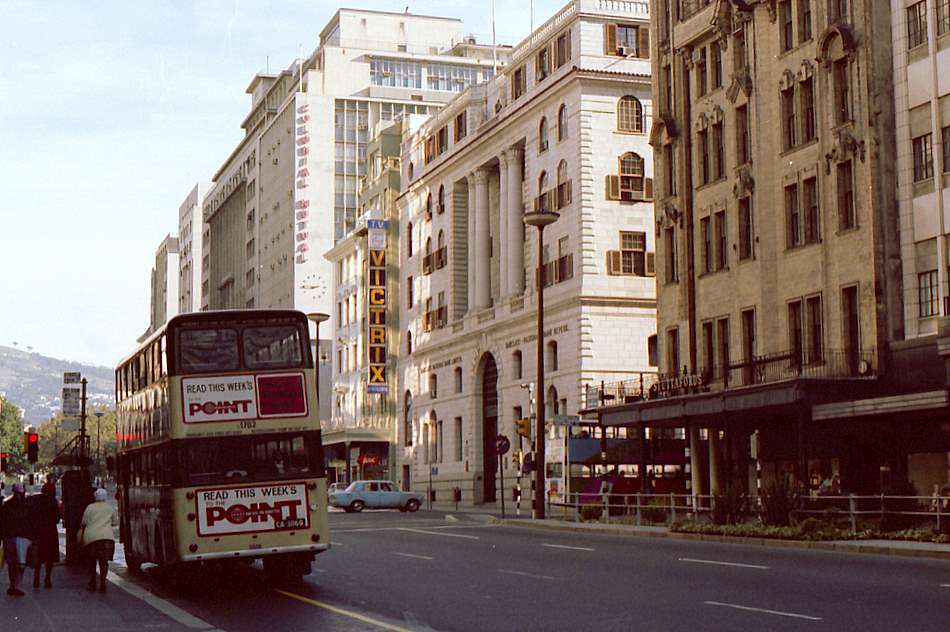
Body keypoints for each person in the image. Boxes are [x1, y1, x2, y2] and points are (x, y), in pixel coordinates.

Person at [0, 482, 34, 596]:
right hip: (21, 536)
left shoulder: (6, 505)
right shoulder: (27, 505)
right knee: (20, 563)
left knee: (13, 563)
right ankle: (16, 585)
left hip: (10, 537)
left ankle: (13, 585)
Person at [79, 488, 115, 592]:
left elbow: (83, 522)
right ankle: (103, 582)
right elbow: (114, 522)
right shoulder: (110, 508)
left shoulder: (90, 507)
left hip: (91, 538)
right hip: (106, 537)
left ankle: (92, 582)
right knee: (104, 562)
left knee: (92, 561)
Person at [30, 482, 61, 588]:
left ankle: (36, 577)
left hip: (37, 531)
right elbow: (57, 518)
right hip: (50, 532)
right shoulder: (53, 501)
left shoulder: (35, 500)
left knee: (38, 554)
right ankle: (47, 578)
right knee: (49, 557)